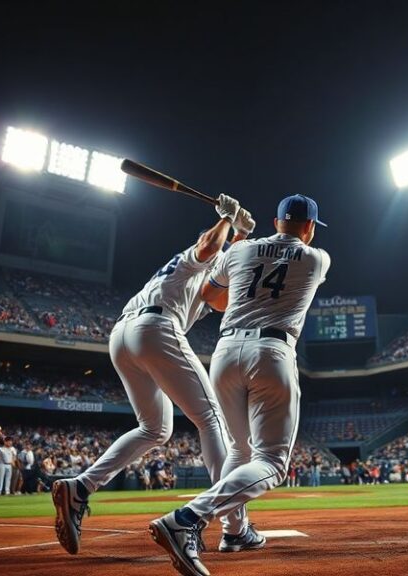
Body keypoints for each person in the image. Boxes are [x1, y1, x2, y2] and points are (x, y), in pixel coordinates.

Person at [51, 194, 256, 555]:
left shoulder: (204, 282)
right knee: (211, 419)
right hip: (156, 327)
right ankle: (234, 526)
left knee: (156, 429)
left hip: (123, 335)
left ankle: (80, 487)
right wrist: (226, 220)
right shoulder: (194, 259)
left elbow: (223, 276)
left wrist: (240, 233)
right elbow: (209, 247)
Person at [149, 194, 330, 576]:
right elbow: (286, 268)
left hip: (225, 351)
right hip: (272, 350)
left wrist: (238, 234)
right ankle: (188, 517)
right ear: (309, 227)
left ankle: (234, 532)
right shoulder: (317, 258)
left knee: (239, 448)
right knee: (271, 463)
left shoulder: (242, 249)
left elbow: (210, 297)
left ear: (277, 220)